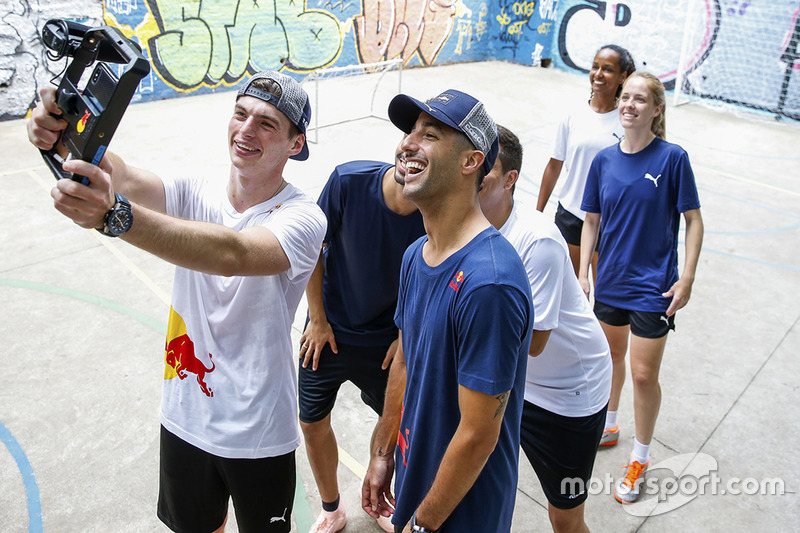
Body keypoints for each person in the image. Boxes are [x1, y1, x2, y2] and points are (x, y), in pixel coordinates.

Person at [27, 71, 327, 532]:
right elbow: (119, 174)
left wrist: (115, 216)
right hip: (185, 414)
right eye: (240, 114)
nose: (246, 130)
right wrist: (63, 132)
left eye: (267, 124)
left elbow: (233, 253)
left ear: (295, 144)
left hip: (257, 430)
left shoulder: (304, 217)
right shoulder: (195, 188)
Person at [361, 90, 534, 533]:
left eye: (430, 134)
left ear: (471, 162)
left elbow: (479, 435)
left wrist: (423, 524)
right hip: (417, 486)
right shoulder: (416, 255)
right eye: (410, 132)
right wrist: (383, 454)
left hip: (461, 513)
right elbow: (405, 359)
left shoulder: (488, 284)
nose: (407, 144)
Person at [579, 71, 704, 504]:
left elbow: (693, 221)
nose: (629, 104)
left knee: (643, 373)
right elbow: (591, 220)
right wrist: (583, 272)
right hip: (610, 282)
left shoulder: (672, 158)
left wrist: (686, 276)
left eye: (639, 99)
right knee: (610, 358)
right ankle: (609, 425)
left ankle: (641, 456)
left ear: (656, 109)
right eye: (625, 97)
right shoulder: (604, 160)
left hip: (654, 288)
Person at [479, 125, 611, 533]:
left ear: (509, 179)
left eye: (486, 168)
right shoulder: (459, 225)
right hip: (512, 385)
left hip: (568, 394)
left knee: (565, 518)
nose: (471, 172)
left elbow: (533, 343)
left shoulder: (537, 241)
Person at [298, 142, 425, 533]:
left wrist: (405, 336)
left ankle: (382, 499)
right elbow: (311, 249)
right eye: (412, 135)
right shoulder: (348, 181)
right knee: (311, 421)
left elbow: (429, 277)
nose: (413, 149)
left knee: (399, 427)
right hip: (329, 328)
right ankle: (332, 507)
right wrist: (317, 319)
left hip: (389, 342)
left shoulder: (433, 208)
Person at [536, 44, 636, 277]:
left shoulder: (629, 123)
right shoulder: (573, 115)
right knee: (573, 290)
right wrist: (538, 213)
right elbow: (554, 165)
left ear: (623, 76)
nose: (599, 74)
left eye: (608, 69)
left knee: (603, 293)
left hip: (610, 219)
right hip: (571, 215)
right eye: (595, 67)